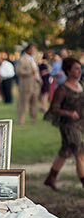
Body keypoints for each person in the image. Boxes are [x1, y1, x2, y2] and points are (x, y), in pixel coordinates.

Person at [44, 57, 84, 190]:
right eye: (76, 68)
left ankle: (51, 178)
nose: (79, 71)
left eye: (80, 68)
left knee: (66, 151)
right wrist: (69, 113)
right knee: (80, 153)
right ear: (68, 71)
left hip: (79, 124)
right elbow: (54, 109)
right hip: (68, 126)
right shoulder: (62, 89)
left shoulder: (80, 86)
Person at [16, 44, 42, 125]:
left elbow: (36, 71)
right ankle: (21, 120)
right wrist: (30, 72)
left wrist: (39, 79)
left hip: (35, 85)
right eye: (33, 49)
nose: (34, 51)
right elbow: (19, 71)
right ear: (28, 50)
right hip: (26, 85)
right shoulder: (22, 59)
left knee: (34, 103)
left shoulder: (33, 59)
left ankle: (33, 120)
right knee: (23, 103)